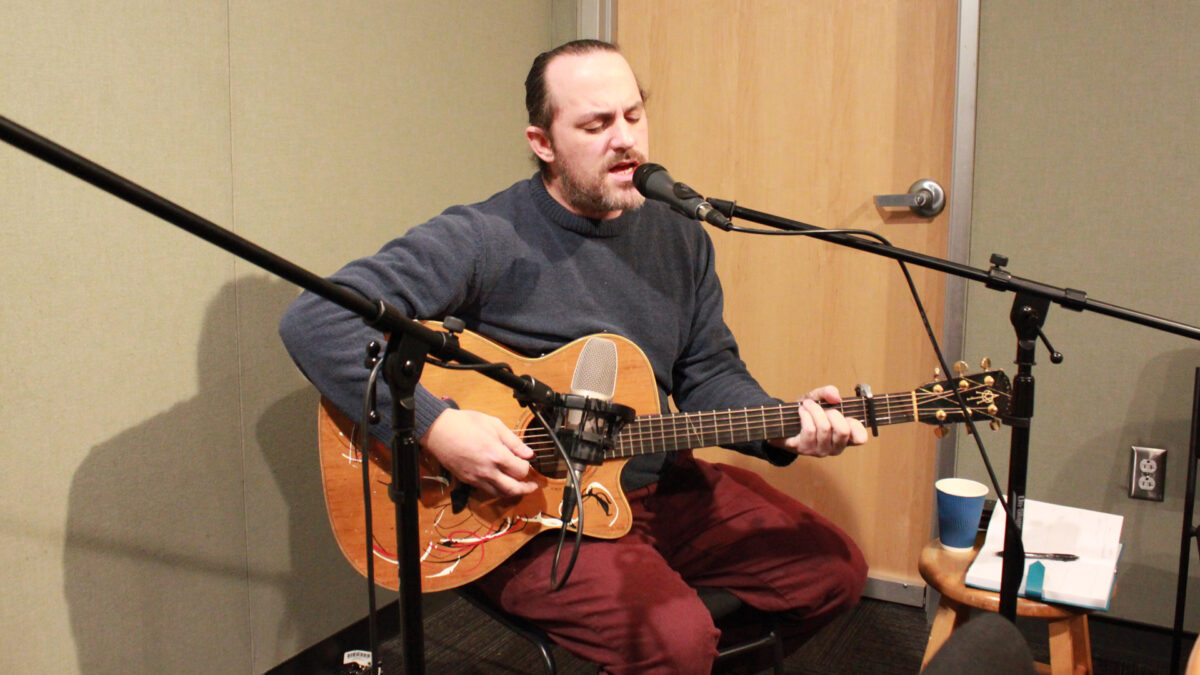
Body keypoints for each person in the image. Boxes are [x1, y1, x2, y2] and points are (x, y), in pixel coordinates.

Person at [280, 39, 868, 674]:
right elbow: (318, 318)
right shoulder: (484, 236)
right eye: (596, 123)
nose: (626, 139)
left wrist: (785, 426)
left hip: (659, 484)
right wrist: (438, 426)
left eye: (634, 115)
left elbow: (709, 372)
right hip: (530, 509)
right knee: (674, 641)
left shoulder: (680, 236)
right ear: (543, 142)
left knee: (833, 571)